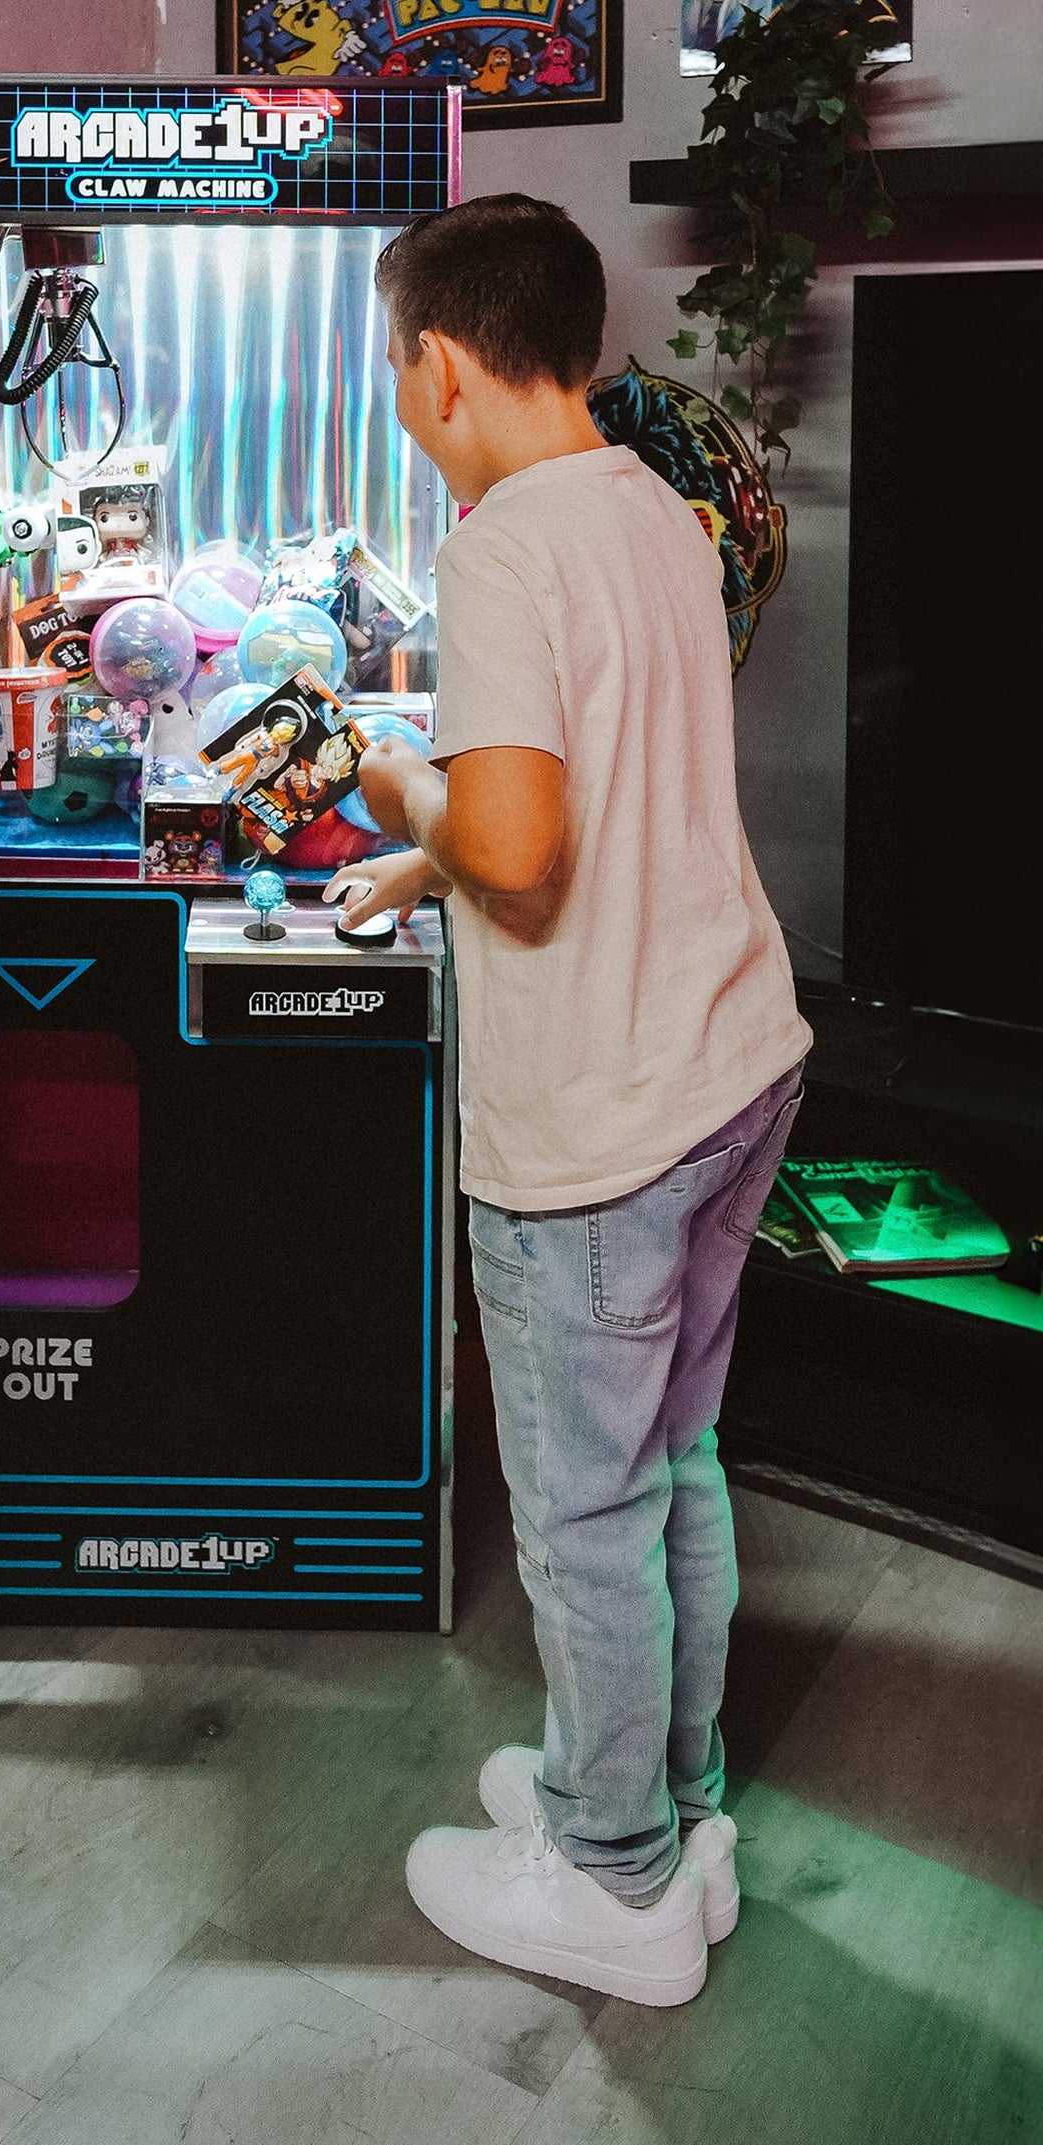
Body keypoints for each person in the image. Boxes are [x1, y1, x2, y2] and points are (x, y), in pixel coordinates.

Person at [333, 194, 809, 2007]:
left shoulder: (498, 548)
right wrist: (436, 862)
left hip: (598, 1121)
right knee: (671, 1459)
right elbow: (605, 782)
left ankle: (611, 1881)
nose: (402, 396)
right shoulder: (651, 508)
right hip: (730, 1059)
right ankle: (671, 1805)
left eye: (396, 364)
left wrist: (401, 792)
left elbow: (521, 846)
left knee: (583, 1507)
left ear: (442, 365)